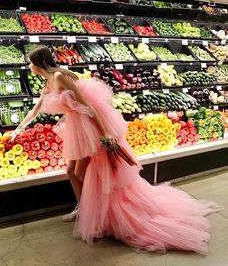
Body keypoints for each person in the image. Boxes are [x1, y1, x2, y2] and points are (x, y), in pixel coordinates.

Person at [12, 45, 221, 255]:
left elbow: (87, 105)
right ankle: (82, 209)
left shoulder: (59, 77)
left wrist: (105, 133)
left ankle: (92, 214)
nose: (28, 66)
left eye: (30, 62)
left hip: (89, 126)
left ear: (39, 63)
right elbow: (37, 107)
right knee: (70, 172)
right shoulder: (48, 81)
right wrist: (19, 128)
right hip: (75, 125)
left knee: (78, 172)